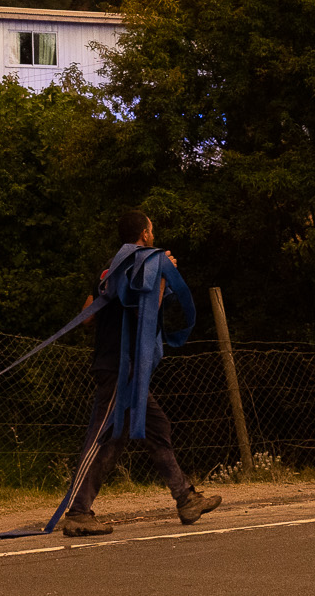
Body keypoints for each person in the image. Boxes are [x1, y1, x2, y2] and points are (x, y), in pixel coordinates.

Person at [61, 210, 222, 538]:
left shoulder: (110, 270)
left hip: (121, 366)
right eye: (152, 229)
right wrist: (164, 274)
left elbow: (87, 316)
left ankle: (185, 498)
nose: (153, 234)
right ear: (145, 235)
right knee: (102, 436)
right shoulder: (151, 264)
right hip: (121, 367)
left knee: (154, 427)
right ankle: (77, 513)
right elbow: (151, 310)